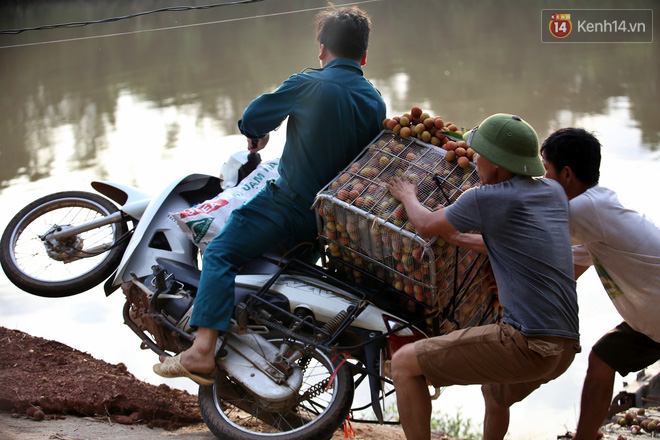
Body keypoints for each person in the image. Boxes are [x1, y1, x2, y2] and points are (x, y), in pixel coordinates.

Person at [153, 6, 386, 384]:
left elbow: (253, 118)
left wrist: (258, 133)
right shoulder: (375, 101)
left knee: (220, 251)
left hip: (286, 204)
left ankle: (201, 350)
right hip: (327, 224)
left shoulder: (310, 82)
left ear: (322, 49)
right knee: (280, 284)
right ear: (363, 56)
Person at [386, 113, 580, 440]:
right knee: (493, 392)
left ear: (501, 166)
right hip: (564, 346)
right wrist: (461, 239)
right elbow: (520, 245)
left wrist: (408, 196)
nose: (474, 159)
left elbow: (426, 224)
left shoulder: (485, 198)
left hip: (527, 343)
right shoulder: (553, 193)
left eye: (481, 154)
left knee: (404, 364)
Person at [540, 128, 660, 439]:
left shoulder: (584, 209)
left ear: (566, 174)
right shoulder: (594, 212)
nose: (542, 178)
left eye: (546, 170)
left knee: (602, 357)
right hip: (651, 321)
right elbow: (567, 273)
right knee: (602, 358)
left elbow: (527, 237)